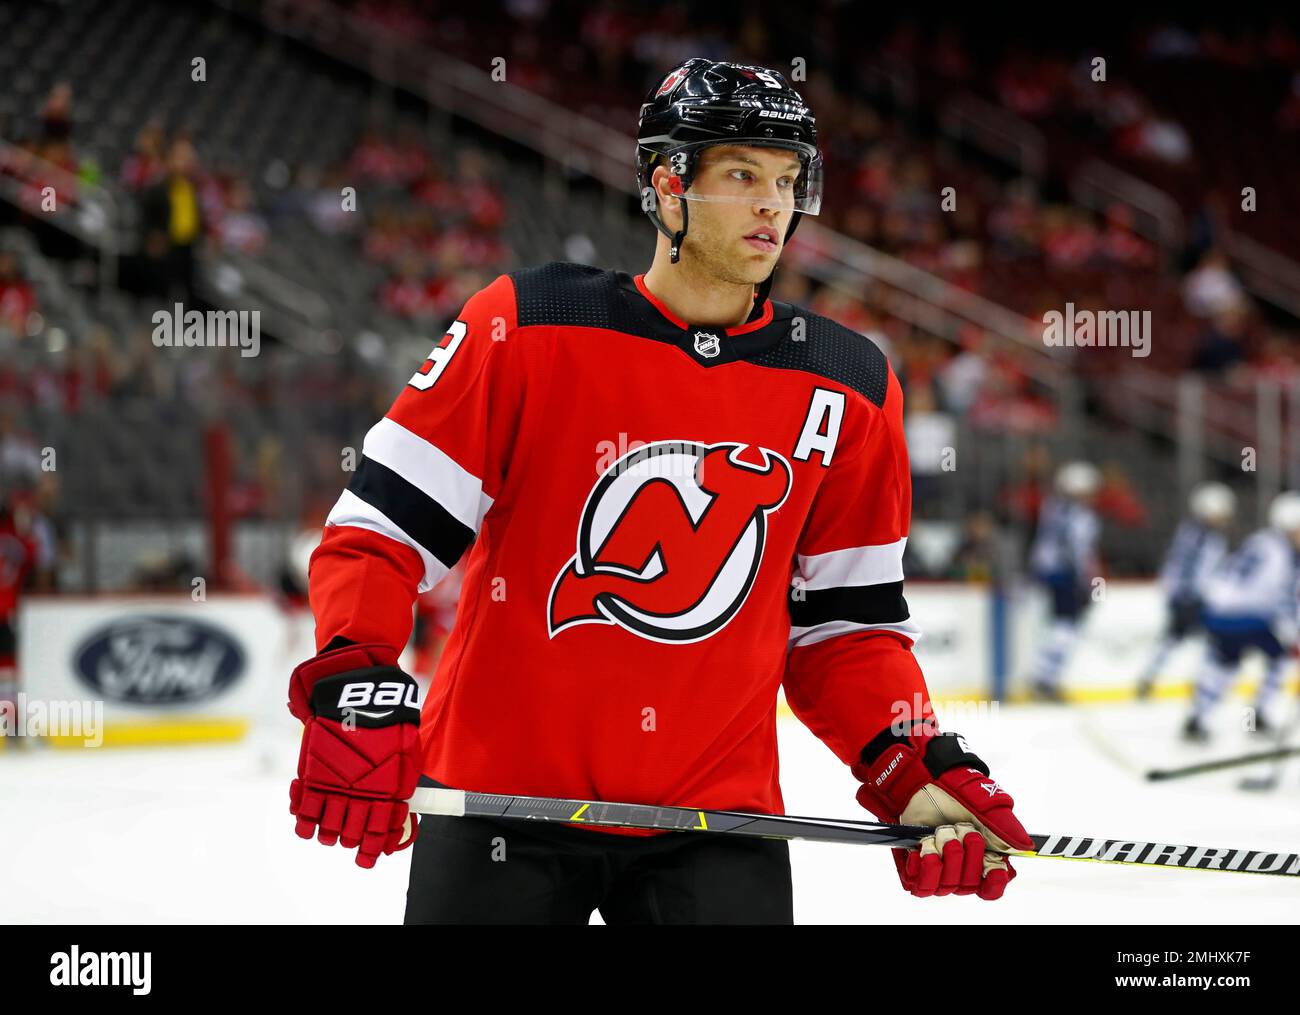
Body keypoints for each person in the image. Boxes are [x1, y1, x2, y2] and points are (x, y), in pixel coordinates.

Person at [287, 59, 1031, 924]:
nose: (771, 206)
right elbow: (380, 530)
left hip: (714, 820)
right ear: (669, 185)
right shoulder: (526, 326)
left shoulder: (849, 381)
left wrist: (908, 759)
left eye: (787, 180)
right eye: (743, 175)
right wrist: (357, 673)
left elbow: (848, 628)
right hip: (500, 804)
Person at [1183, 492, 1300, 742]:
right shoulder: (1280, 553)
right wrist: (1293, 635)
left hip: (1218, 614)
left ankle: (1197, 719)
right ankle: (1258, 715)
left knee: (1224, 666)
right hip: (1246, 616)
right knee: (1279, 659)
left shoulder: (1262, 541)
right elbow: (1280, 598)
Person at [1136, 482, 1234, 699]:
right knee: (1192, 640)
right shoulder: (1201, 536)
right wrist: (1191, 596)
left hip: (1190, 596)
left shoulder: (1195, 532)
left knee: (1178, 640)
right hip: (1191, 597)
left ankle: (1152, 679)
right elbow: (1193, 569)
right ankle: (1199, 685)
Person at [1026, 461, 1102, 702]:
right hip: (1065, 574)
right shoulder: (1080, 516)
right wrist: (1085, 582)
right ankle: (1045, 678)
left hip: (1047, 571)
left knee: (1059, 626)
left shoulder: (1054, 506)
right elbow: (1077, 551)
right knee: (1065, 627)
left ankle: (1044, 676)